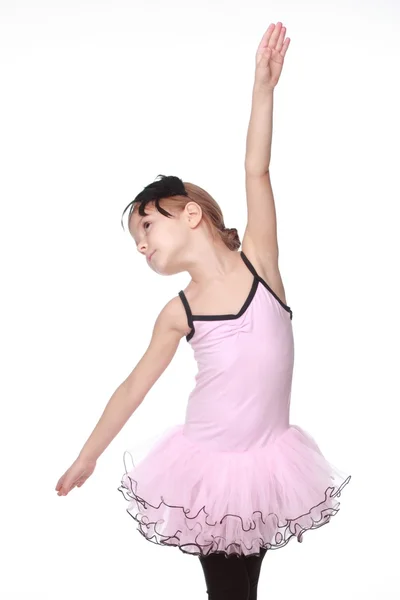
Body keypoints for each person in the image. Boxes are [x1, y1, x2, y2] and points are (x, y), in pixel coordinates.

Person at [55, 22, 351, 600]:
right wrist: (87, 457)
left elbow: (256, 171)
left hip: (269, 464)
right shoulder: (178, 312)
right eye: (134, 241)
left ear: (190, 214)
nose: (141, 244)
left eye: (146, 224)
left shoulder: (261, 263)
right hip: (211, 471)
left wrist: (263, 90)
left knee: (247, 589)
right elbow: (133, 386)